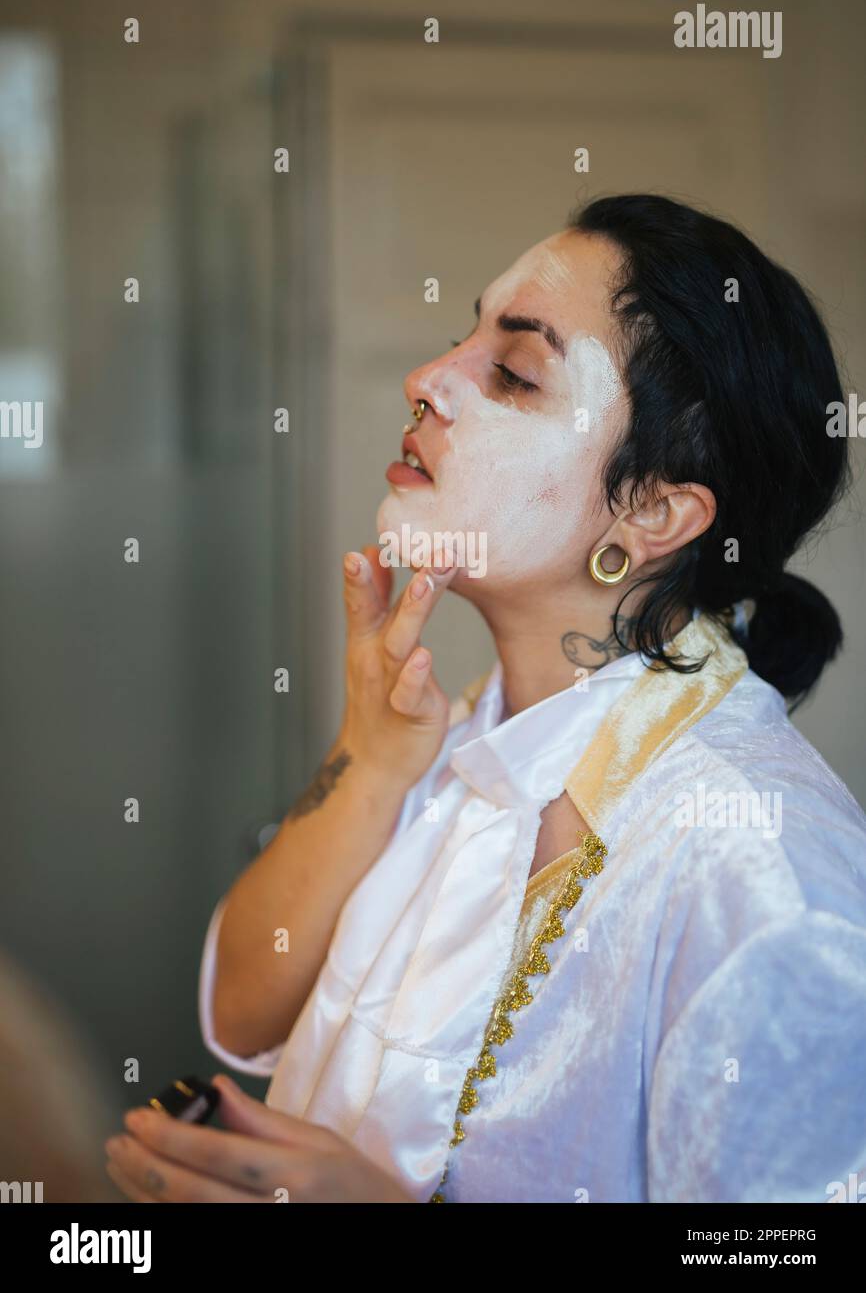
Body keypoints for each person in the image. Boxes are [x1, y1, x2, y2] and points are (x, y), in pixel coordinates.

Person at [106, 194, 866, 1203]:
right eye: (459, 340)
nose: (425, 381)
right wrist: (370, 760)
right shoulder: (465, 726)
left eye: (512, 372)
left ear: (652, 512)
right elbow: (243, 1010)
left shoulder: (758, 861)